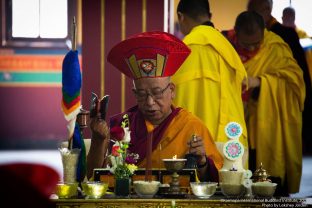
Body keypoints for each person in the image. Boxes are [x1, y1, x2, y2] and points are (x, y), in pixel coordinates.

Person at [86, 31, 224, 182]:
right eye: (142, 94)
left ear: (171, 90)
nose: (150, 102)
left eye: (157, 93)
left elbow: (215, 180)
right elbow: (92, 176)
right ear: (134, 93)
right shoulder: (122, 124)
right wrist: (98, 140)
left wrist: (202, 162)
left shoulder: (190, 126)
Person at [223, 11, 305, 195]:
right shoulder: (224, 46)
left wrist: (261, 82)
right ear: (236, 32)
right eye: (246, 44)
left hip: (267, 124)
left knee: (268, 176)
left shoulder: (275, 47)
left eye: (256, 44)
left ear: (264, 32)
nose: (252, 49)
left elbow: (295, 82)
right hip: (234, 122)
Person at [172, 0, 248, 165]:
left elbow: (174, 97)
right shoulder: (227, 47)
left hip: (196, 141)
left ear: (180, 17)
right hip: (230, 138)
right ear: (209, 16)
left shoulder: (185, 49)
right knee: (231, 188)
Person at [247, 0, 312, 156]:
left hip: (278, 106)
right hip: (253, 109)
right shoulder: (249, 33)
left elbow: (296, 75)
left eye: (253, 12)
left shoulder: (285, 35)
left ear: (266, 9)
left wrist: (261, 82)